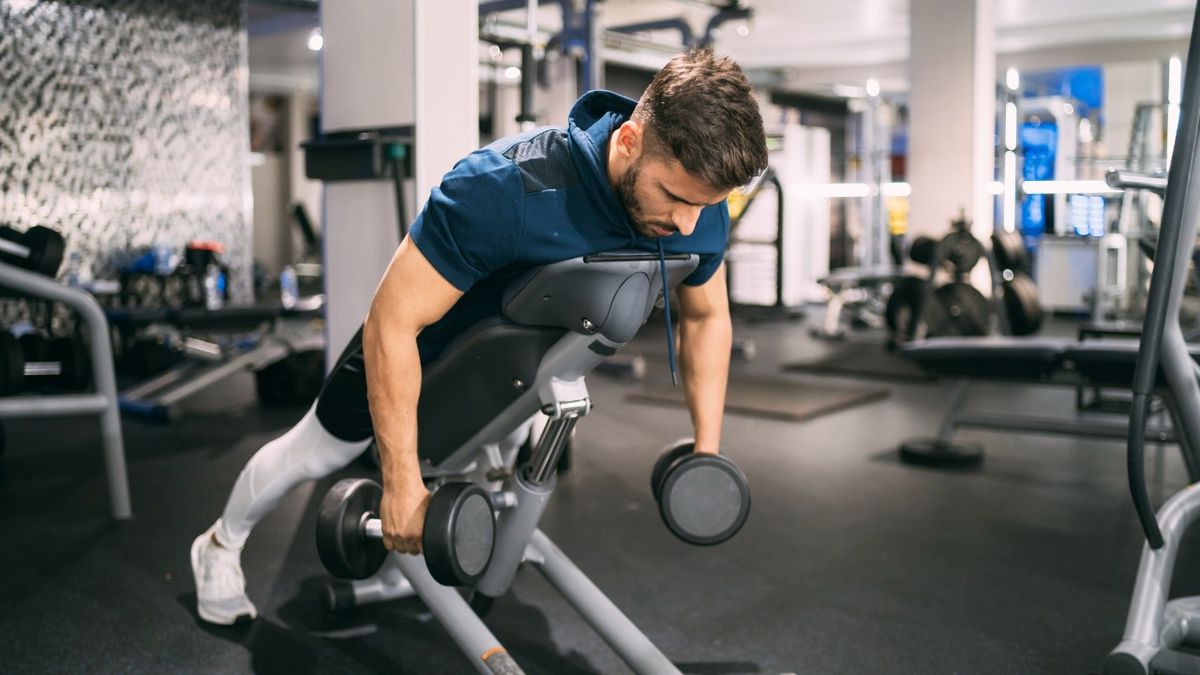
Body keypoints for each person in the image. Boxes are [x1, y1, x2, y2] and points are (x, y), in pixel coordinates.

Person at [191, 47, 768, 625]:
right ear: (628, 142)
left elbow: (705, 317)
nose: (691, 223)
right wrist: (398, 483)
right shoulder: (503, 187)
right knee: (317, 452)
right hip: (424, 351)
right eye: (675, 198)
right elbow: (393, 320)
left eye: (708, 206)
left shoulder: (702, 201)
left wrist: (706, 448)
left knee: (490, 469)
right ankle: (219, 544)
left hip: (520, 373)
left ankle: (414, 573)